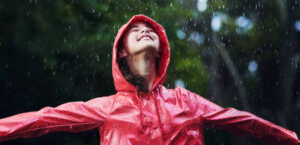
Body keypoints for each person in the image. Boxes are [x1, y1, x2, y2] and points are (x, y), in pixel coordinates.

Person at [0, 14, 299, 145]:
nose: (145, 30)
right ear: (122, 54)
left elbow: (242, 120)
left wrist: (290, 138)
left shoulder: (186, 101)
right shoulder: (108, 107)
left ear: (161, 50)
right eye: (135, 30)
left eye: (151, 29)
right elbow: (45, 119)